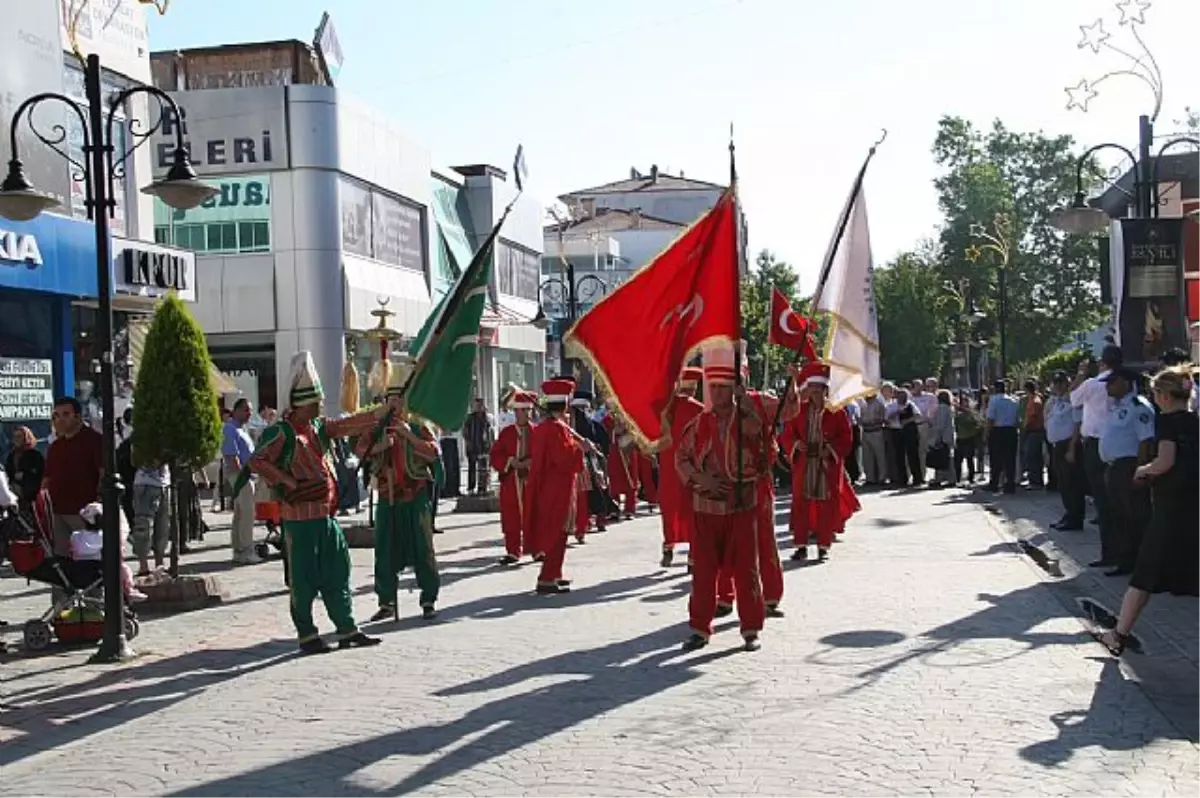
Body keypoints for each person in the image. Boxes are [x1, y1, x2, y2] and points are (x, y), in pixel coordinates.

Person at [247, 351, 385, 654]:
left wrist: (381, 413)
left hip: (326, 517)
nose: (320, 405)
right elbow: (257, 461)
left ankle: (346, 628)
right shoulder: (280, 432)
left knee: (338, 572)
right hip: (298, 520)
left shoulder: (319, 427)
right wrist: (289, 482)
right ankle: (307, 634)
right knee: (304, 580)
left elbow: (347, 425)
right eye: (315, 401)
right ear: (300, 404)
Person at [1094, 366, 1200, 655]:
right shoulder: (1196, 422)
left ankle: (1117, 635)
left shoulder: (1167, 423)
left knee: (1144, 575)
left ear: (1164, 396)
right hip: (1194, 506)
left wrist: (1144, 470)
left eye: (1155, 394)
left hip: (1170, 508)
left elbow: (1165, 460)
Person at [675, 341, 767, 652]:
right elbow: (681, 459)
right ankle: (700, 628)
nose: (715, 393)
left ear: (734, 389)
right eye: (711, 387)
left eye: (722, 387)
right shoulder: (699, 423)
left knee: (746, 570)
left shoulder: (748, 422)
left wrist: (749, 409)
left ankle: (751, 628)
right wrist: (702, 480)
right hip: (706, 507)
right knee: (703, 571)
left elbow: (766, 454)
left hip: (742, 505)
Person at [365, 365, 442, 622]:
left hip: (414, 496)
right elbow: (360, 452)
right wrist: (380, 446)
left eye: (398, 401)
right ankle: (386, 601)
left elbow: (433, 454)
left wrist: (408, 437)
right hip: (388, 498)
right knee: (384, 551)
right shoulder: (376, 427)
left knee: (423, 549)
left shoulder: (419, 426)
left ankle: (428, 599)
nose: (394, 406)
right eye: (390, 401)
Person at [781, 361, 859, 563]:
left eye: (818, 390)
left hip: (826, 465)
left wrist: (830, 450)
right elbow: (788, 434)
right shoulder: (799, 410)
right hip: (805, 464)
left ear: (825, 390)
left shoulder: (837, 412)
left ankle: (823, 546)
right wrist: (797, 445)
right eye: (812, 390)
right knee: (801, 506)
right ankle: (800, 546)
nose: (814, 394)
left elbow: (846, 437)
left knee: (825, 506)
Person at [523, 378, 587, 595]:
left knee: (558, 532)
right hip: (557, 487)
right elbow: (564, 459)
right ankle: (547, 577)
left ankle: (555, 572)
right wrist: (581, 448)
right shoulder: (556, 429)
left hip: (550, 486)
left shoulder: (545, 428)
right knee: (557, 533)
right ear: (566, 404)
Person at [1097, 367, 1156, 577]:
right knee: (1120, 515)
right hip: (1114, 466)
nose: (1107, 386)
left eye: (1111, 382)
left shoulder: (1137, 406)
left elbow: (1146, 440)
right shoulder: (1117, 407)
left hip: (1129, 466)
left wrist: (1141, 471)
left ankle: (1144, 562)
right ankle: (1126, 559)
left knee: (1136, 515)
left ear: (1124, 381)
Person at [1071, 345, 1123, 567]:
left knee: (1102, 500)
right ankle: (1125, 551)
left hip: (1095, 443)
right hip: (1121, 445)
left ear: (1102, 363)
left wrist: (1081, 374)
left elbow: (1073, 398)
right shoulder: (1128, 383)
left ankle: (1110, 552)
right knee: (1120, 500)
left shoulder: (1093, 384)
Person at [42, 397, 103, 558]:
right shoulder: (55, 446)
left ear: (78, 417)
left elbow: (104, 473)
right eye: (56, 415)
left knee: (87, 558)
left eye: (65, 414)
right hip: (56, 512)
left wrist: (99, 502)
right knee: (60, 558)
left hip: (83, 512)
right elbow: (47, 479)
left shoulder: (94, 440)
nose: (59, 420)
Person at [657, 366, 704, 567]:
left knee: (669, 507)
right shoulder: (699, 409)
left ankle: (668, 546)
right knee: (692, 509)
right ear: (694, 387)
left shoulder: (665, 409)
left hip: (668, 465)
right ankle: (694, 555)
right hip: (690, 466)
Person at [490, 389, 537, 564]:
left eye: (527, 410)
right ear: (515, 411)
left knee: (534, 514)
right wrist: (511, 462)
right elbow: (496, 454)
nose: (525, 413)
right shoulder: (506, 433)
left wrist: (530, 463)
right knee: (511, 517)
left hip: (531, 480)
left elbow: (543, 454)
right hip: (511, 480)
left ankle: (537, 549)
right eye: (521, 410)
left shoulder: (537, 431)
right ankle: (513, 551)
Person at [1045, 371, 1085, 531]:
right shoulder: (1054, 401)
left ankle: (1075, 517)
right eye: (1055, 383)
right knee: (1063, 483)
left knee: (1072, 483)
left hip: (1068, 445)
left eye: (1060, 383)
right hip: (1056, 445)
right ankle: (1069, 513)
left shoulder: (1073, 401)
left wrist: (1071, 449)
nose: (1057, 386)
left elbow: (1077, 425)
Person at [223, 398, 261, 564]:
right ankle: (245, 550)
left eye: (250, 410)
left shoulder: (242, 429)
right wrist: (242, 473)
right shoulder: (230, 429)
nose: (249, 414)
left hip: (248, 474)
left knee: (241, 513)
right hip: (240, 475)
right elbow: (232, 455)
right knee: (246, 513)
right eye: (246, 410)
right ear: (236, 410)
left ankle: (239, 549)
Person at [130, 456, 171, 576]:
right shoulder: (142, 439)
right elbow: (137, 459)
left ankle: (160, 565)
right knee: (144, 526)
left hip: (164, 484)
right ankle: (143, 567)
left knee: (163, 527)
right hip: (145, 485)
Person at [984, 380, 1020, 494]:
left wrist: (986, 433)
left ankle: (994, 483)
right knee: (1010, 459)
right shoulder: (1014, 400)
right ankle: (1010, 483)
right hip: (1011, 430)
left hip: (998, 430)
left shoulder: (993, 400)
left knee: (995, 458)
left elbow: (990, 418)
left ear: (995, 389)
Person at [604, 411, 640, 519]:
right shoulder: (608, 418)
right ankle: (615, 508)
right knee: (615, 478)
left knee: (631, 479)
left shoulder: (629, 412)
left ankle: (630, 509)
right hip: (615, 450)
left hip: (628, 447)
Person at [5, 425, 44, 510]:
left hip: (30, 495)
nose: (16, 439)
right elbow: (8, 471)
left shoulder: (35, 455)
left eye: (19, 436)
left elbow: (39, 473)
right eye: (15, 436)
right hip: (14, 493)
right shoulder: (12, 455)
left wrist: (25, 475)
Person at [462, 398, 494, 495]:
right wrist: (468, 442)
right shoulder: (470, 418)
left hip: (483, 446)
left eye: (480, 405)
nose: (479, 407)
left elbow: (490, 432)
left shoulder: (486, 418)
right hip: (472, 446)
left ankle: (482, 488)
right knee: (472, 467)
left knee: (483, 468)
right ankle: (471, 488)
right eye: (477, 405)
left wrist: (491, 444)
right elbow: (465, 432)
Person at [892, 388, 922, 486]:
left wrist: (908, 420)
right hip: (897, 431)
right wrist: (895, 414)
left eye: (903, 396)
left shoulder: (910, 405)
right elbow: (886, 418)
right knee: (899, 456)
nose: (901, 398)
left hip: (910, 431)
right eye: (900, 396)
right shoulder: (892, 406)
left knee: (913, 455)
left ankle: (917, 478)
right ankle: (902, 479)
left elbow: (918, 415)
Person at [1020, 379, 1046, 489]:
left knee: (1032, 457)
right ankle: (1035, 480)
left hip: (1034, 431)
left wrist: (1025, 428)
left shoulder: (1034, 401)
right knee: (1034, 457)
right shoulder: (1036, 398)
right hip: (1035, 431)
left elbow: (1031, 417)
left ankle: (1035, 481)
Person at [927, 389, 956, 488]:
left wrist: (937, 437)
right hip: (949, 435)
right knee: (948, 458)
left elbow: (940, 424)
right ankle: (951, 478)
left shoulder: (942, 408)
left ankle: (939, 478)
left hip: (943, 436)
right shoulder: (949, 408)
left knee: (939, 458)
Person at [859, 391, 887, 486]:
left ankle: (882, 477)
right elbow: (859, 417)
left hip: (876, 431)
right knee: (867, 457)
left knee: (880, 455)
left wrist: (875, 421)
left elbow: (883, 417)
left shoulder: (879, 403)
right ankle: (870, 478)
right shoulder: (863, 404)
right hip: (866, 431)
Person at [953, 392, 982, 484]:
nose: (963, 404)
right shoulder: (957, 414)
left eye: (965, 402)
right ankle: (957, 477)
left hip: (969, 438)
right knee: (958, 460)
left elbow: (978, 424)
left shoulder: (972, 414)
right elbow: (955, 426)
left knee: (970, 459)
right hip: (960, 438)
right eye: (962, 402)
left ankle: (971, 478)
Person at [881, 382, 902, 486]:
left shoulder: (895, 403)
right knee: (887, 455)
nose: (887, 392)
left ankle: (897, 476)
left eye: (889, 390)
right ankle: (889, 475)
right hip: (885, 429)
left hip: (896, 429)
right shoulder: (881, 401)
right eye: (885, 390)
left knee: (895, 454)